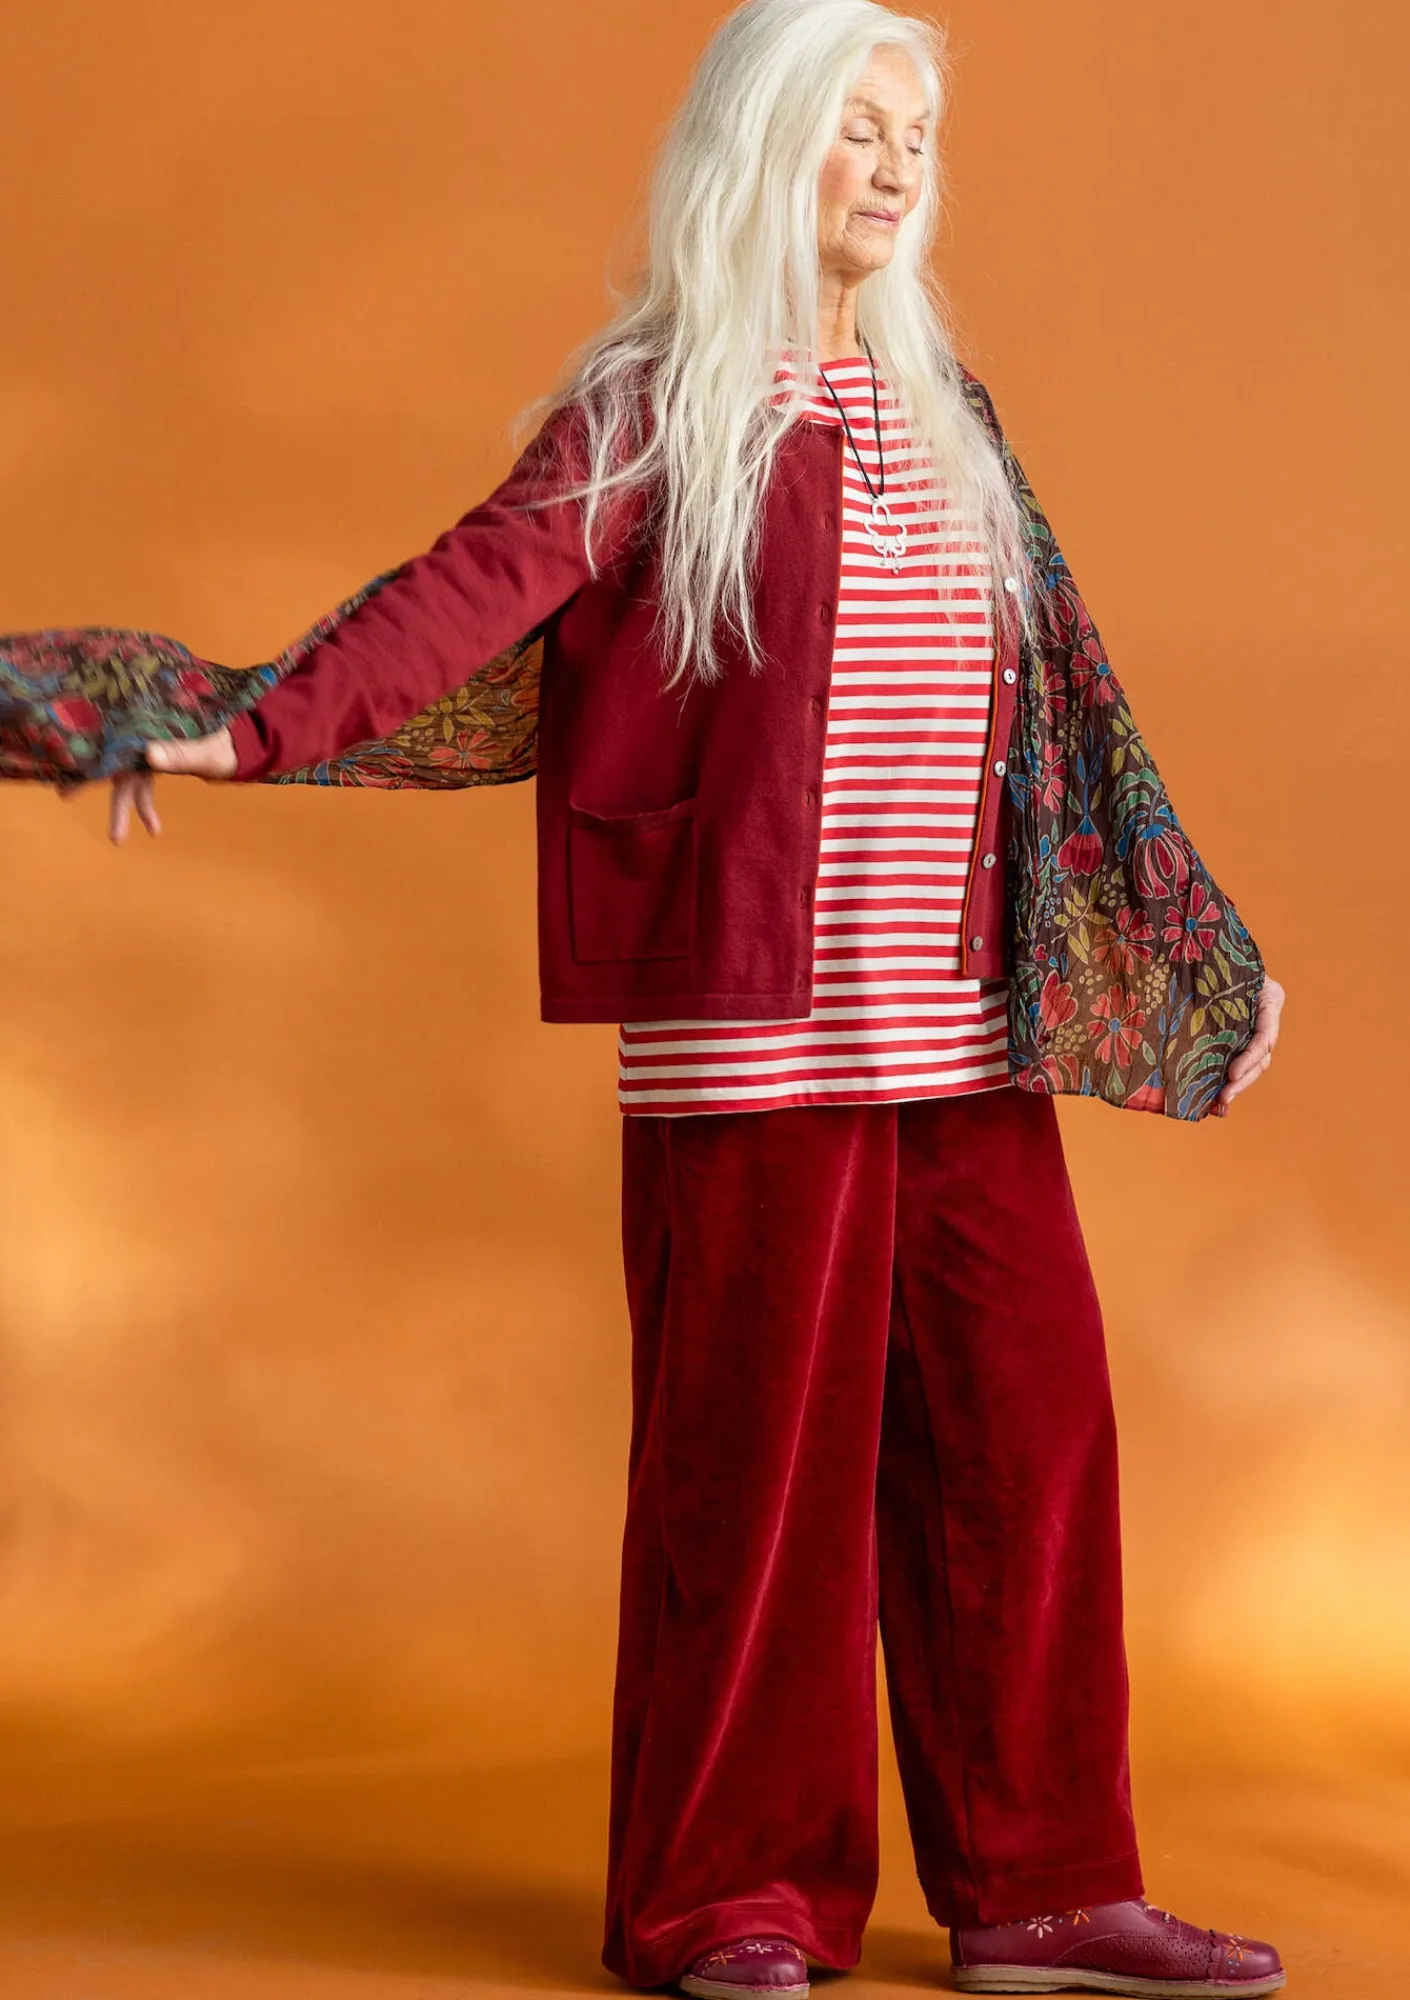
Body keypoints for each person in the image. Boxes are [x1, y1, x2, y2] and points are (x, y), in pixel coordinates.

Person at [96, 2, 1288, 1993]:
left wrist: (1193, 964)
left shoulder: (950, 413)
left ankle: (1041, 1888)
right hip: (752, 1026)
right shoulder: (661, 406)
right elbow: (462, 596)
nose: (895, 167)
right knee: (756, 1479)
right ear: (760, 145)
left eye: (916, 135)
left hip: (965, 1029)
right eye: (855, 126)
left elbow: (1076, 723)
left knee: (1026, 1451)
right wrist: (247, 726)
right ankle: (729, 1894)